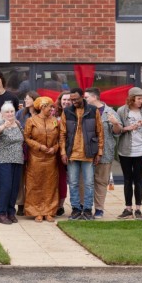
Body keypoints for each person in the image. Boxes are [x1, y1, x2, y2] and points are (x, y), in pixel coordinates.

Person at [59, 87, 104, 221]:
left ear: (82, 97)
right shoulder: (66, 112)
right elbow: (62, 134)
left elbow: (99, 132)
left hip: (89, 153)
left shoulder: (93, 110)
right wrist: (63, 152)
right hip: (71, 153)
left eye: (76, 99)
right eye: (71, 100)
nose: (73, 102)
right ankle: (76, 209)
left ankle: (88, 210)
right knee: (73, 183)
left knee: (89, 183)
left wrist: (100, 152)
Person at [84, 87, 123, 219]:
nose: (85, 99)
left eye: (86, 97)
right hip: (87, 153)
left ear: (94, 97)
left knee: (101, 182)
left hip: (105, 153)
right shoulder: (85, 111)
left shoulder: (110, 112)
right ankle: (85, 207)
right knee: (86, 181)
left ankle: (99, 209)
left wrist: (115, 123)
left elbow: (117, 132)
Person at [116, 87, 142, 220]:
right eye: (138, 98)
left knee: (138, 180)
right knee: (127, 180)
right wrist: (128, 128)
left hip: (141, 151)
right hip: (125, 151)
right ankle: (127, 208)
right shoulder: (121, 110)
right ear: (132, 98)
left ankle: (138, 209)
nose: (141, 101)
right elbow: (117, 130)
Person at [24, 97, 60, 222]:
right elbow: (27, 138)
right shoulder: (31, 121)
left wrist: (55, 148)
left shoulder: (55, 121)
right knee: (35, 184)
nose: (52, 109)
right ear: (43, 107)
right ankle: (37, 211)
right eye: (50, 106)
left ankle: (49, 211)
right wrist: (39, 146)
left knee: (50, 185)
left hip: (51, 158)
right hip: (36, 158)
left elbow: (60, 139)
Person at [0, 102, 25, 225]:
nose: (10, 114)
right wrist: (4, 126)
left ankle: (11, 212)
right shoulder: (1, 123)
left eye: (12, 112)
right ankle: (2, 213)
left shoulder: (18, 124)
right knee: (6, 187)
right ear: (3, 114)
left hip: (18, 159)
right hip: (4, 160)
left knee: (15, 188)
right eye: (7, 112)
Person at [14, 90, 39, 216]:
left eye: (28, 98)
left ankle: (33, 203)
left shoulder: (40, 114)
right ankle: (20, 204)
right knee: (20, 178)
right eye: (25, 98)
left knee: (33, 178)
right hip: (22, 149)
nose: (26, 100)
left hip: (36, 151)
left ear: (35, 100)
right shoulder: (20, 113)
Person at [54, 91, 71, 216]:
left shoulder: (75, 114)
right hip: (54, 151)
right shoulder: (54, 114)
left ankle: (60, 205)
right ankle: (52, 204)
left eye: (68, 100)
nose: (66, 102)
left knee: (63, 180)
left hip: (69, 151)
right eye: (64, 99)